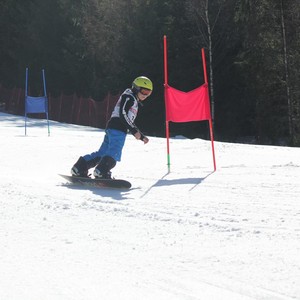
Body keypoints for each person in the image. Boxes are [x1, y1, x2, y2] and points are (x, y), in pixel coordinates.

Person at [71, 76, 153, 179]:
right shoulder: (129, 97)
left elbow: (128, 118)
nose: (146, 95)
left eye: (149, 93)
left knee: (102, 153)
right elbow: (123, 114)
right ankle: (101, 171)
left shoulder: (132, 98)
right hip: (118, 128)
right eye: (144, 91)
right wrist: (134, 131)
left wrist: (140, 135)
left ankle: (79, 167)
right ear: (136, 88)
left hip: (113, 127)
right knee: (114, 152)